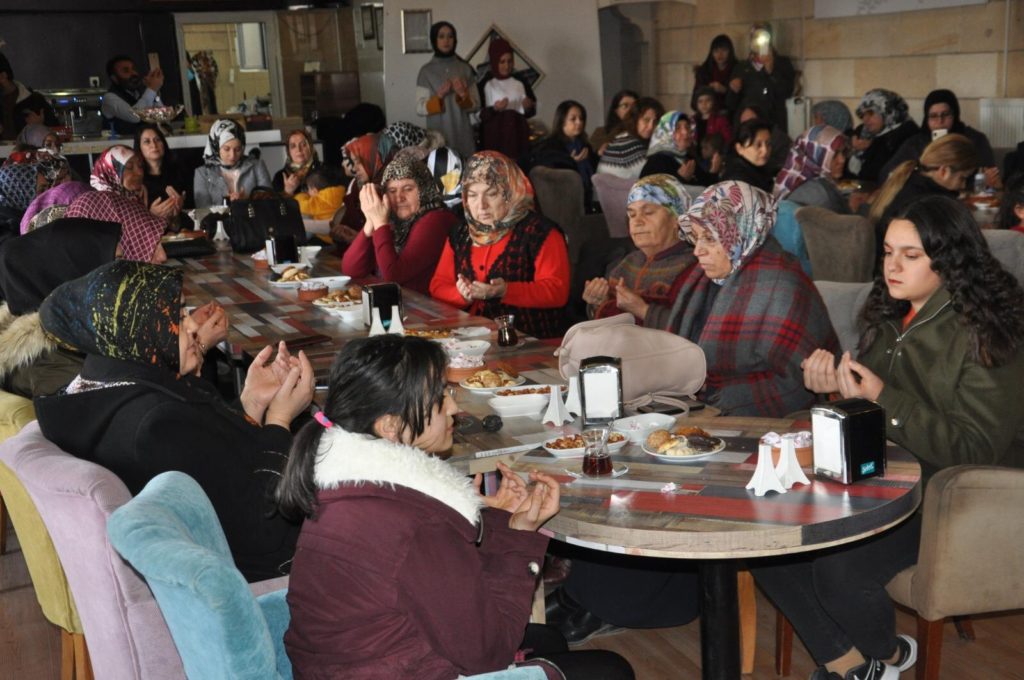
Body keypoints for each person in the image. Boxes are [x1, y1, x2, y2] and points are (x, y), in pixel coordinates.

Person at [757, 195, 1024, 680]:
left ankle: (888, 655)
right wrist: (835, 392)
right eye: (887, 252)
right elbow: (869, 413)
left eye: (911, 255)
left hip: (955, 501)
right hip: (881, 482)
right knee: (766, 541)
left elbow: (974, 449)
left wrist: (882, 397)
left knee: (839, 573)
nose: (892, 266)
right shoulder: (890, 317)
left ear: (949, 258)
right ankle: (859, 665)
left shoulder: (989, 332)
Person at [277, 334, 634, 680]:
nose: (454, 407)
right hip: (394, 669)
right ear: (390, 426)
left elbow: (436, 585)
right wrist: (520, 540)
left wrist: (502, 524)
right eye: (439, 398)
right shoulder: (415, 523)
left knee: (549, 640)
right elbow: (488, 654)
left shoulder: (345, 486)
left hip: (338, 665)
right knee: (612, 669)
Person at [34, 260, 313, 582]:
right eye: (177, 317)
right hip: (257, 571)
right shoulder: (156, 423)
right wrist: (280, 419)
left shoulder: (100, 389)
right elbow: (263, 527)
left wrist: (252, 401)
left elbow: (211, 464)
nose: (192, 326)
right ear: (138, 327)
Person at [665, 180, 838, 415]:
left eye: (710, 238)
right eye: (695, 238)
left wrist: (715, 394)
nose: (697, 251)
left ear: (740, 232)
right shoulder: (702, 279)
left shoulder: (782, 285)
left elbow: (796, 384)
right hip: (700, 405)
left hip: (763, 416)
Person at [430, 151, 570, 339]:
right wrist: (461, 295)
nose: (481, 205)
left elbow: (557, 292)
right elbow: (438, 286)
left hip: (532, 342)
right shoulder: (461, 233)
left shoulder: (540, 233)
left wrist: (506, 291)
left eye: (492, 194)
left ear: (510, 193)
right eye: (472, 195)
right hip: (473, 341)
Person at [0, 218, 122, 397]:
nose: (121, 272)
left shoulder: (72, 333)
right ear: (70, 275)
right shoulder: (51, 370)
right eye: (113, 261)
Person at [582, 173, 695, 324]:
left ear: (677, 219)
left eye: (648, 212)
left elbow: (695, 328)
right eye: (632, 215)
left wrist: (642, 310)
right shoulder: (627, 263)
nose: (637, 222)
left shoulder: (693, 267)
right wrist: (598, 303)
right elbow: (610, 324)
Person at [341, 156, 458, 294]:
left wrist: (380, 223)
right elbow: (351, 269)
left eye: (408, 189)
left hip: (430, 307)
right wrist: (370, 222)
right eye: (392, 191)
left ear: (424, 188)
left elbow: (393, 276)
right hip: (405, 304)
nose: (399, 198)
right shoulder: (393, 220)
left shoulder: (436, 219)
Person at [879, 89, 998, 185]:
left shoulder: (974, 139)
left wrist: (976, 182)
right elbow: (886, 174)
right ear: (926, 119)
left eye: (945, 114)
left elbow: (989, 175)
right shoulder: (916, 143)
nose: (940, 121)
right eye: (933, 116)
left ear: (955, 115)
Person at [869, 133, 980, 225]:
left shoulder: (911, 180)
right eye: (963, 178)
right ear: (944, 171)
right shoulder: (930, 203)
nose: (963, 185)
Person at [415, 21, 479, 159]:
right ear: (434, 40)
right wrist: (438, 96)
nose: (446, 40)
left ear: (455, 40)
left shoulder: (465, 69)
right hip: (438, 138)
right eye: (441, 36)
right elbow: (419, 108)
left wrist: (463, 95)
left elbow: (476, 104)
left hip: (463, 135)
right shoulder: (426, 72)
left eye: (450, 36)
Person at [726, 23, 796, 131]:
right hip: (747, 122)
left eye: (763, 36)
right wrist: (733, 90)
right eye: (755, 37)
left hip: (773, 121)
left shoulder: (782, 63)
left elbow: (786, 92)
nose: (759, 41)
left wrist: (771, 72)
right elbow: (730, 104)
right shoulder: (741, 67)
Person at [478, 38, 536, 164]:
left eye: (510, 61)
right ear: (494, 61)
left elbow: (531, 111)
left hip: (518, 137)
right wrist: (495, 109)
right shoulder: (486, 83)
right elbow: (479, 115)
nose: (507, 66)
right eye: (502, 61)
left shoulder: (520, 81)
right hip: (495, 138)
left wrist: (528, 106)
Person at [530, 100, 597, 208]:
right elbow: (551, 166)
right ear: (562, 121)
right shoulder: (550, 145)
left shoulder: (585, 146)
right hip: (562, 201)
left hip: (588, 198)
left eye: (581, 118)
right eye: (573, 119)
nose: (579, 122)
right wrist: (572, 161)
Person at [193, 119, 272, 208]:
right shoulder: (202, 174)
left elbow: (269, 202)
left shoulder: (257, 166)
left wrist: (246, 201)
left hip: (253, 217)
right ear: (216, 147)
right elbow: (202, 209)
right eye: (226, 149)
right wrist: (227, 204)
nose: (232, 155)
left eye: (237, 149)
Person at [334, 131, 396, 244]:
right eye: (353, 163)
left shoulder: (395, 189)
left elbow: (393, 240)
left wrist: (359, 239)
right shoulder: (360, 185)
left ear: (375, 159)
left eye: (359, 162)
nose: (355, 168)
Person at [847, 89, 919, 184]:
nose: (865, 119)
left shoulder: (906, 136)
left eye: (871, 113)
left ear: (887, 112)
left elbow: (878, 175)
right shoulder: (864, 133)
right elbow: (849, 176)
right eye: (862, 115)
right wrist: (857, 151)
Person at [773, 125, 851, 213]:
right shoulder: (822, 194)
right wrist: (852, 208)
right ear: (816, 155)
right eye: (835, 154)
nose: (842, 160)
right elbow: (843, 221)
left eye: (843, 152)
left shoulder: (787, 180)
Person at [640, 111, 719, 185]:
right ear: (666, 134)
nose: (685, 132)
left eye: (687, 127)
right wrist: (680, 179)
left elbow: (706, 187)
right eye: (677, 128)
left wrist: (714, 170)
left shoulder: (688, 158)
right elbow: (650, 192)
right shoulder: (656, 161)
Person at [596, 97, 665, 181]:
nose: (651, 126)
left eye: (655, 122)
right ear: (635, 119)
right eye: (646, 120)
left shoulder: (626, 137)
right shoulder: (629, 144)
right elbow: (657, 178)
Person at [101, 54, 165, 136]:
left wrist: (154, 92)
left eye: (134, 69)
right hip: (122, 143)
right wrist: (152, 89)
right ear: (115, 78)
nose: (134, 73)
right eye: (126, 71)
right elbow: (135, 117)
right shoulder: (109, 98)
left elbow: (161, 116)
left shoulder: (142, 93)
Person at [133, 123, 188, 218]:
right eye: (147, 142)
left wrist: (181, 207)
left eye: (157, 140)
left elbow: (191, 207)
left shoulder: (179, 171)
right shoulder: (135, 179)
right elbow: (132, 216)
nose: (154, 145)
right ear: (139, 148)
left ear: (164, 144)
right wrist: (150, 214)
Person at [0, 51, 57, 141]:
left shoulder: (34, 101)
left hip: (28, 150)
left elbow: (58, 134)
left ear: (3, 76)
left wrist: (40, 127)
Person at [272, 129, 337, 197]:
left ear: (310, 147)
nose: (299, 149)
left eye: (303, 145)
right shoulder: (280, 177)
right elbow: (274, 203)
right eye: (293, 146)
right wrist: (287, 192)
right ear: (289, 152)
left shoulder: (325, 170)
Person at [721, 118, 775, 192]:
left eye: (768, 144)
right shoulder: (738, 181)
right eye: (758, 145)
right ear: (739, 148)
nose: (765, 151)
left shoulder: (760, 167)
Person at [691, 34, 737, 115]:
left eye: (724, 50)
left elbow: (740, 101)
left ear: (730, 51)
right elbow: (694, 101)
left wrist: (725, 90)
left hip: (730, 115)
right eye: (716, 51)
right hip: (707, 115)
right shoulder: (704, 71)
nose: (720, 54)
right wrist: (707, 91)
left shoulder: (737, 70)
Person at [589, 89, 638, 155]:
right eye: (625, 106)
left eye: (634, 106)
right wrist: (599, 152)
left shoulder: (644, 132)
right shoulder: (600, 132)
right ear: (616, 111)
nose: (630, 110)